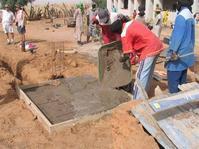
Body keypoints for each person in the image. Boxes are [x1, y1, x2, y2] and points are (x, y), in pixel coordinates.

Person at [111, 19, 163, 100]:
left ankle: (137, 100)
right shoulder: (131, 23)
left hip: (149, 49)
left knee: (140, 76)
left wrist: (129, 61)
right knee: (148, 74)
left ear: (118, 32)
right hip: (157, 45)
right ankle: (144, 94)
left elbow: (129, 55)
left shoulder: (124, 34)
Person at [166, 0, 195, 94]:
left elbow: (177, 36)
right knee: (182, 81)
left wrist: (172, 52)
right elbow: (192, 37)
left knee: (173, 80)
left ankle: (174, 100)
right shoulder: (190, 15)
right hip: (187, 53)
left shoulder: (181, 16)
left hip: (178, 54)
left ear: (181, 3)